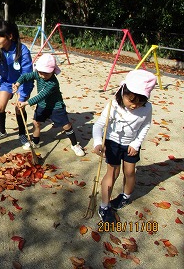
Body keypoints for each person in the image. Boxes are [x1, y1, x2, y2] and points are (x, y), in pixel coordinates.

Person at [93, 70, 157, 223]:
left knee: (129, 172)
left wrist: (136, 143)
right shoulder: (113, 105)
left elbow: (145, 127)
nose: (135, 105)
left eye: (140, 101)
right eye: (131, 100)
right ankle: (104, 205)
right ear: (123, 92)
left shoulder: (147, 108)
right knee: (112, 173)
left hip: (131, 144)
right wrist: (97, 142)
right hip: (113, 142)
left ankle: (125, 197)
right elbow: (98, 125)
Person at [12, 54, 85, 156]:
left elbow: (41, 95)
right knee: (36, 123)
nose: (42, 75)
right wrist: (17, 84)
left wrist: (26, 103)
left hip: (56, 106)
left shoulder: (53, 83)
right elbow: (25, 76)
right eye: (40, 72)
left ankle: (75, 145)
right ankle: (35, 142)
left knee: (66, 125)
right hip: (42, 105)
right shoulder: (38, 74)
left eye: (46, 73)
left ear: (52, 71)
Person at [0, 21, 34, 149]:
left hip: (22, 82)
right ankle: (2, 131)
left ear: (10, 36)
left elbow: (27, 75)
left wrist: (22, 97)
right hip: (6, 82)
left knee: (19, 108)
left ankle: (22, 134)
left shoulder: (22, 50)